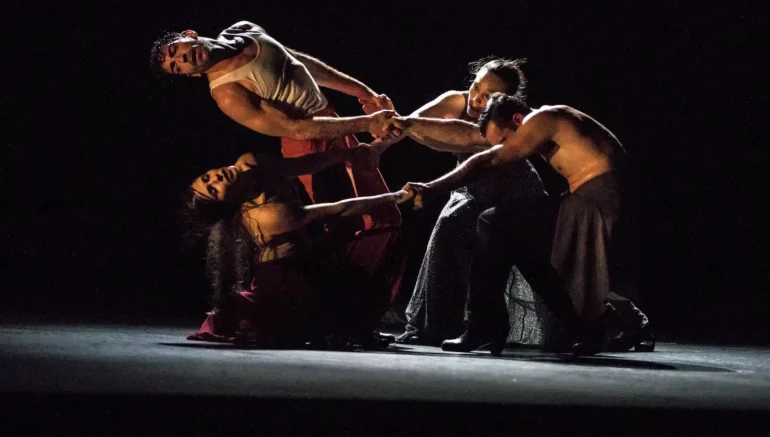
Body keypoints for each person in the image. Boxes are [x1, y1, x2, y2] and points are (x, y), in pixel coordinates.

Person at [150, 20, 402, 298]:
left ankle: (357, 308)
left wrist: (361, 91)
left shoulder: (243, 29)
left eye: (176, 51)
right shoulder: (227, 94)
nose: (183, 59)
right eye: (177, 66)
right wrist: (366, 123)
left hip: (332, 122)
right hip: (309, 142)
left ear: (189, 35)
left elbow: (299, 62)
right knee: (355, 224)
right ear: (191, 75)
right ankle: (346, 311)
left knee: (382, 216)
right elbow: (297, 128)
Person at [396, 93, 653, 355]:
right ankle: (585, 328)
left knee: (493, 221)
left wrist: (430, 188)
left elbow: (491, 159)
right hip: (593, 201)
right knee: (522, 247)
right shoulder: (555, 119)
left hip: (595, 204)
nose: (505, 147)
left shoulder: (543, 117)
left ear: (518, 119)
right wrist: (409, 125)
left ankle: (483, 325)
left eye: (505, 140)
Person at [367, 58, 553, 347]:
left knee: (530, 262)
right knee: (448, 233)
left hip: (510, 191)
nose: (477, 98)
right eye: (476, 86)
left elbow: (462, 138)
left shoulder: (502, 122)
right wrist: (375, 149)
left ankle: (439, 327)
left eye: (488, 96)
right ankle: (439, 324)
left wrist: (409, 125)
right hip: (470, 188)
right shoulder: (456, 100)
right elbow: (407, 125)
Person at [183, 145, 410, 349]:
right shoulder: (267, 215)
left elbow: (303, 165)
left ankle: (349, 325)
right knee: (379, 237)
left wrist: (348, 153)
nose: (216, 177)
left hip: (312, 259)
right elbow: (338, 209)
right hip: (288, 281)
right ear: (228, 203)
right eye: (213, 189)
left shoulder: (251, 161)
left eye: (206, 177)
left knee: (361, 256)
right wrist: (395, 197)